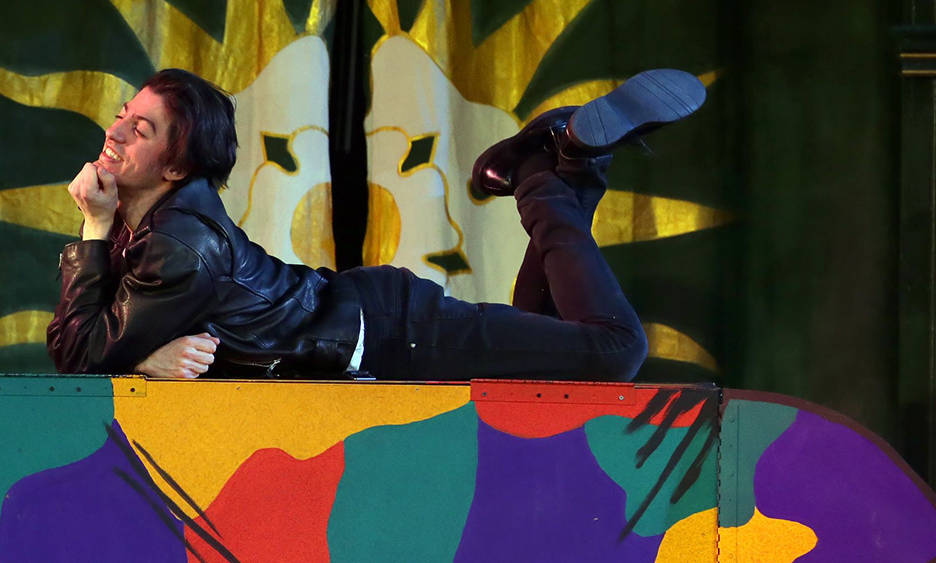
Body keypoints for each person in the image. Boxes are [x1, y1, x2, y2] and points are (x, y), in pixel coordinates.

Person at [47, 66, 705, 382]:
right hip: (374, 322)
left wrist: (94, 230)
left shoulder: (177, 242)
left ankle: (544, 177)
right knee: (557, 359)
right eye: (123, 115)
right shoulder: (160, 226)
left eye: (141, 129)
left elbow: (79, 355)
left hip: (397, 333)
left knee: (614, 351)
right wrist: (139, 359)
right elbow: (102, 345)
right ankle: (564, 165)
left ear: (174, 167)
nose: (115, 133)